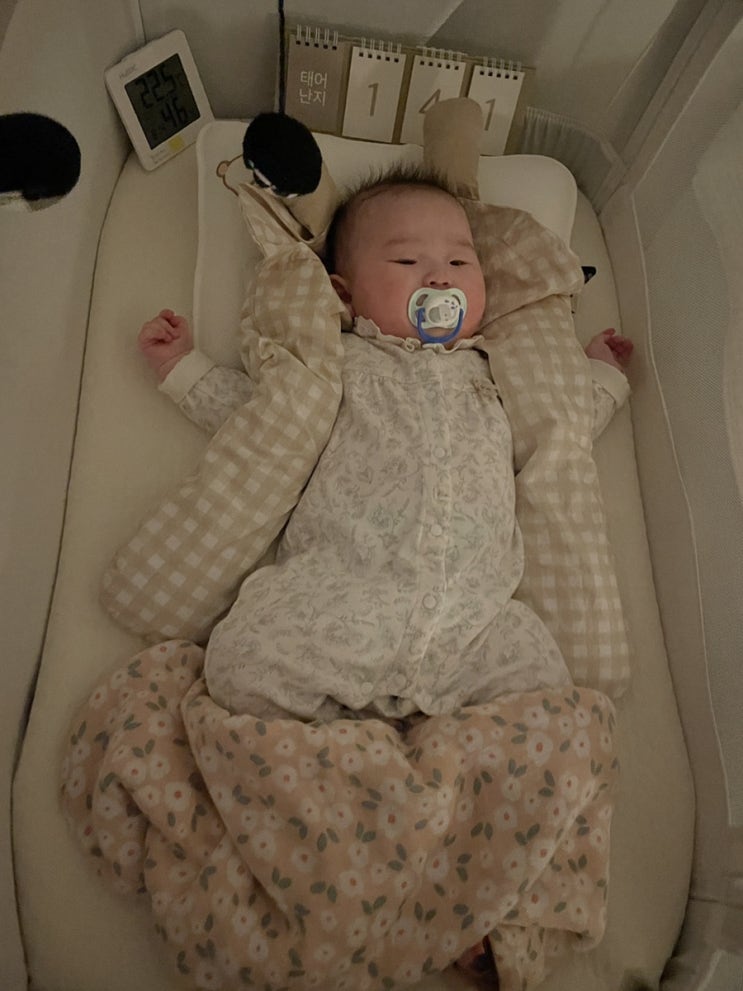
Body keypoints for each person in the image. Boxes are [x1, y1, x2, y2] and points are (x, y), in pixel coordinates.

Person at [139, 167, 632, 988]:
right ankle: (359, 809)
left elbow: (561, 431)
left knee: (559, 706)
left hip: (472, 621)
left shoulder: (494, 373)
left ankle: (472, 889)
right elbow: (260, 429)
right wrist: (182, 368)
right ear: (344, 293)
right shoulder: (334, 367)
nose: (439, 276)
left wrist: (600, 376)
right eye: (406, 262)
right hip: (343, 599)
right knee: (238, 663)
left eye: (460, 263)